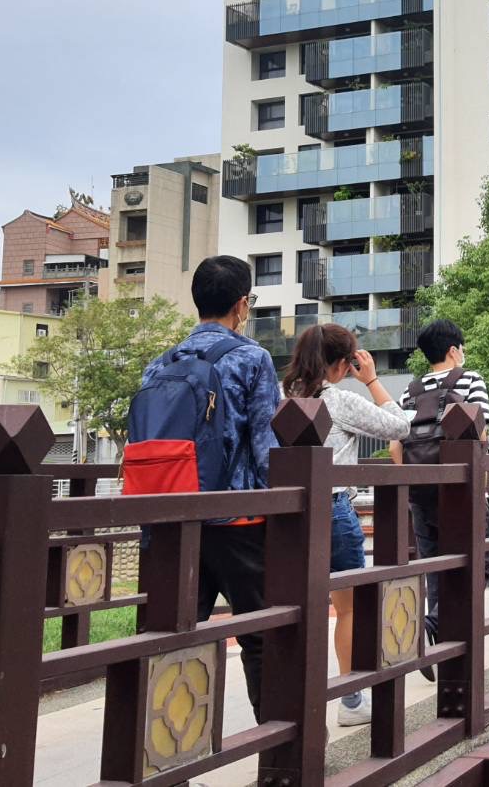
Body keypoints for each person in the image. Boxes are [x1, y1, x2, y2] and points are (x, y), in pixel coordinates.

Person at [138, 256, 279, 722]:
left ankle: (163, 757)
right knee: (262, 635)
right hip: (237, 519)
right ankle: (279, 755)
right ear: (242, 305)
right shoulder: (252, 358)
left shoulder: (160, 364)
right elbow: (264, 445)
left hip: (171, 520)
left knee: (171, 639)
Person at [283, 322, 412, 727]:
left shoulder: (280, 397)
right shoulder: (337, 400)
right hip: (334, 509)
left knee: (291, 609)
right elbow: (400, 426)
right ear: (341, 364)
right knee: (348, 608)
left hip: (285, 514)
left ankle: (291, 703)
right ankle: (351, 700)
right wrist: (372, 380)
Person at [393, 319, 489, 675]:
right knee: (485, 558)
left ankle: (437, 644)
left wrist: (409, 483)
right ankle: (435, 623)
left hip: (420, 491)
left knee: (434, 566)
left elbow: (396, 441)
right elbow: (480, 434)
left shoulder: (411, 388)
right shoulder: (470, 379)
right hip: (461, 490)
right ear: (454, 350)